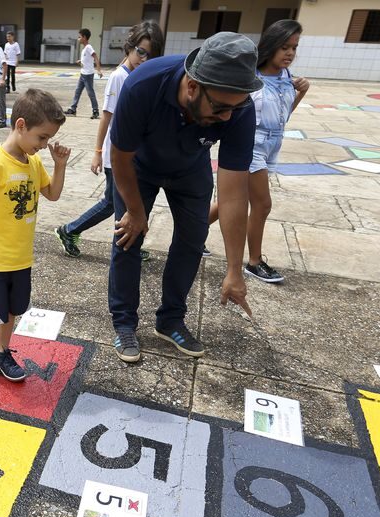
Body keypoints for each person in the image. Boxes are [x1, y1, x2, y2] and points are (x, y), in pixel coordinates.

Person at [107, 32, 260, 362]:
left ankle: (171, 320)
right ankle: (124, 324)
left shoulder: (239, 108)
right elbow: (119, 158)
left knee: (192, 239)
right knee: (127, 237)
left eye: (234, 109)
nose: (227, 118)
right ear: (192, 87)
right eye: (219, 109)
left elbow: (234, 195)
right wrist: (135, 212)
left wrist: (235, 269)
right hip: (139, 168)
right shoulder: (144, 85)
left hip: (191, 168)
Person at [0, 89, 70, 381]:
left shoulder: (33, 163)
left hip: (21, 256)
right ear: (21, 126)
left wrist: (60, 166)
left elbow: (52, 194)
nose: (45, 145)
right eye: (41, 137)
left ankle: (1, 353)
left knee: (13, 309)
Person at [205, 20, 308, 285]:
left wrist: (300, 94)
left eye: (294, 48)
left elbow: (282, 117)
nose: (289, 53)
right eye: (284, 47)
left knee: (231, 202)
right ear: (271, 45)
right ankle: (254, 261)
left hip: (273, 144)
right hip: (251, 144)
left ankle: (191, 233)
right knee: (262, 204)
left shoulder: (288, 78)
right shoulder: (251, 79)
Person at [55, 21, 164, 262]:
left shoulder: (138, 74)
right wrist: (97, 152)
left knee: (113, 203)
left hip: (130, 155)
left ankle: (72, 230)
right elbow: (106, 117)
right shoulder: (120, 77)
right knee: (122, 205)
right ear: (130, 47)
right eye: (141, 52)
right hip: (116, 156)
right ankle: (76, 232)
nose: (144, 59)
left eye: (151, 55)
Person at [66, 28, 101, 118]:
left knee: (90, 93)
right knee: (77, 91)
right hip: (83, 74)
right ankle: (73, 109)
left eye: (79, 37)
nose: (78, 39)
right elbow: (87, 61)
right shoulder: (85, 49)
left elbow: (95, 57)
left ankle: (95, 111)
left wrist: (98, 70)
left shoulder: (89, 47)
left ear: (84, 37)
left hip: (88, 75)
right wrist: (80, 62)